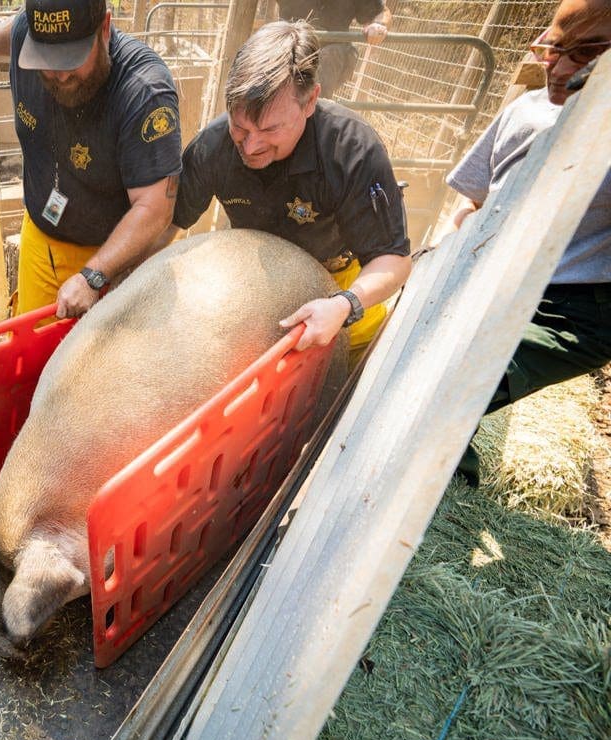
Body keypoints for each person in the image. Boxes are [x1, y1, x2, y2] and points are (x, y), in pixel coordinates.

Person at [158, 20, 412, 362]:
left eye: (270, 128)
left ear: (310, 102)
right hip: (250, 281)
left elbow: (393, 260)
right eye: (240, 125)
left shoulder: (351, 149)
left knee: (352, 372)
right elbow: (168, 224)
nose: (250, 146)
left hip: (338, 283)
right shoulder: (213, 146)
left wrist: (344, 305)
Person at [446, 0, 610, 485]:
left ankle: (446, 486)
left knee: (460, 381)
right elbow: (471, 203)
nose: (558, 68)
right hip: (498, 277)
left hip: (572, 305)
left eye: (583, 54)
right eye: (554, 49)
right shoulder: (525, 109)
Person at [0, 0, 183, 318]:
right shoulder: (25, 35)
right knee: (30, 353)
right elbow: (17, 29)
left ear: (105, 27)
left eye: (71, 58)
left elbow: (155, 207)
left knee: (101, 363)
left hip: (116, 257)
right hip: (41, 238)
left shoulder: (144, 91)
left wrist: (94, 275)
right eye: (46, 58)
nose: (59, 75)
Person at [276, 0, 392, 97]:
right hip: (290, 49)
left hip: (333, 53)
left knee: (330, 56)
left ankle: (316, 112)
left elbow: (381, 11)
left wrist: (378, 25)